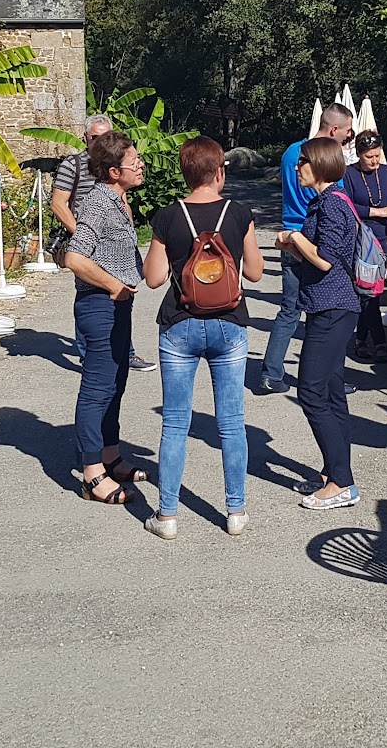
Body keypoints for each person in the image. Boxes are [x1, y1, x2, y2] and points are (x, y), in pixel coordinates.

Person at [140, 136, 265, 539]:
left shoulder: (168, 216)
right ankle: (236, 511)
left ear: (185, 173)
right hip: (230, 323)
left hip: (180, 323)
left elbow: (155, 277)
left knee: (175, 423)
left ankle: (167, 516)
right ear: (220, 172)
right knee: (231, 422)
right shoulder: (239, 211)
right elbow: (257, 273)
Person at [62, 131, 150, 505]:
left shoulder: (118, 201)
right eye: (134, 161)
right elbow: (75, 257)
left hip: (117, 305)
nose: (140, 165)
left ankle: (110, 456)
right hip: (99, 305)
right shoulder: (99, 202)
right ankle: (91, 472)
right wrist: (114, 285)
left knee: (116, 382)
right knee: (98, 388)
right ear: (114, 171)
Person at [284, 137, 364, 510]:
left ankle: (343, 484)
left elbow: (327, 261)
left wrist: (295, 237)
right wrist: (294, 245)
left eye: (302, 161)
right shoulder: (323, 202)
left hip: (334, 307)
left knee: (311, 391)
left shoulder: (332, 205)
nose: (297, 167)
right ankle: (334, 471)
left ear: (319, 165)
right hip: (328, 306)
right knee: (331, 393)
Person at [261, 102, 355, 393]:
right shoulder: (322, 161)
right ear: (334, 129)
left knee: (289, 310)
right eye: (348, 134)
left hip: (291, 229)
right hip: (309, 235)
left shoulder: (292, 152)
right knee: (326, 307)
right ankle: (331, 378)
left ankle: (271, 372)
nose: (347, 140)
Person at [53, 114, 156, 373]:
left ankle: (125, 353)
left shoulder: (116, 179)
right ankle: (92, 357)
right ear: (86, 138)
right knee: (91, 295)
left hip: (108, 231)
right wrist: (85, 236)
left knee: (119, 304)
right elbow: (58, 204)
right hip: (87, 234)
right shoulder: (73, 165)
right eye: (97, 138)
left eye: (107, 136)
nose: (102, 142)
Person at [340, 130, 387, 362]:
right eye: (369, 157)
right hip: (363, 238)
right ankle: (379, 340)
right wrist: (376, 211)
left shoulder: (385, 172)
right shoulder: (350, 174)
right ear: (359, 155)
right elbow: (347, 205)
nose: (374, 161)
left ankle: (361, 339)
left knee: (374, 291)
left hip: (384, 238)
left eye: (377, 155)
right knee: (367, 291)